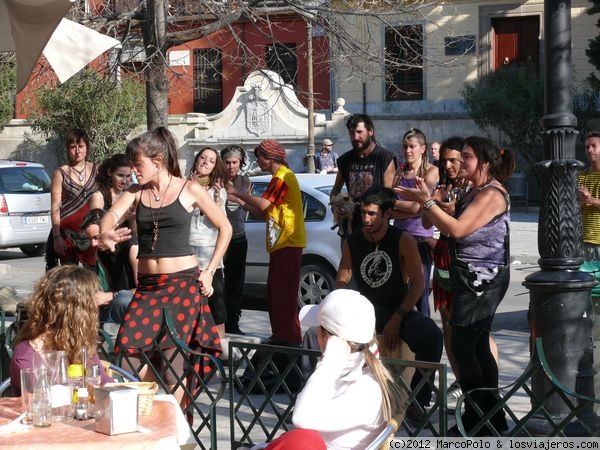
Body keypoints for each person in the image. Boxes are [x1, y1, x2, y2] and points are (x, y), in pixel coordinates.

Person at [99, 127, 232, 396]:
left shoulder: (189, 189)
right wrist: (106, 231)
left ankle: (178, 426)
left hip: (182, 286)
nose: (134, 171)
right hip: (148, 288)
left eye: (138, 164)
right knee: (127, 360)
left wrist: (208, 271)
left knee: (174, 367)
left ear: (157, 161)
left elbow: (225, 227)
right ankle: (157, 404)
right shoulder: (137, 191)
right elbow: (111, 214)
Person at [396, 136, 514, 435]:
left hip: (482, 278)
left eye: (467, 157)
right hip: (471, 275)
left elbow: (458, 230)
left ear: (485, 163)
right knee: (475, 347)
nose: (461, 162)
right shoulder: (476, 190)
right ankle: (491, 420)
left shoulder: (492, 194)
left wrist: (428, 202)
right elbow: (449, 217)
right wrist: (434, 203)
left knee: (463, 347)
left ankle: (477, 421)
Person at [336, 185, 443, 422]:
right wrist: (344, 310)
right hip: (365, 313)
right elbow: (342, 279)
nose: (366, 219)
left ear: (387, 215)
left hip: (397, 310)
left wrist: (398, 318)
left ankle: (418, 400)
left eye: (372, 214)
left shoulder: (402, 239)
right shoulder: (353, 241)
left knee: (432, 336)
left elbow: (418, 284)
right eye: (363, 212)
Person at [262, 289, 406, 450]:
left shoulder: (366, 389)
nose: (314, 333)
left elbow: (301, 417)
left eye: (318, 328)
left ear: (326, 339)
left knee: (302, 440)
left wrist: (330, 362)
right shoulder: (361, 373)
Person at [226, 139, 305, 346]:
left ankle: (288, 338)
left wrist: (235, 192)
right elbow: (264, 213)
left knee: (283, 295)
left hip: (288, 242)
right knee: (275, 293)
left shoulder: (283, 177)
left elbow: (263, 203)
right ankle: (280, 335)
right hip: (281, 243)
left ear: (269, 158)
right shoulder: (278, 177)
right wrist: (241, 201)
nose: (257, 161)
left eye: (259, 157)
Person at [10, 265, 113, 395]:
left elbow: (105, 383)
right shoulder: (27, 355)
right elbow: (41, 404)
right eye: (91, 304)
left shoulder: (79, 343)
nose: (97, 308)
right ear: (79, 312)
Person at [393, 128, 439, 318]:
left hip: (421, 240)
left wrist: (394, 206)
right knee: (399, 291)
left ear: (423, 148)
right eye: (405, 147)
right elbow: (412, 208)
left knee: (419, 292)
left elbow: (416, 207)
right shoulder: (399, 171)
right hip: (398, 236)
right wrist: (410, 207)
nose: (407, 151)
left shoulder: (431, 171)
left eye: (412, 146)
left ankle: (425, 338)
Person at [188, 147, 228, 350]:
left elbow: (221, 224)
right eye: (202, 157)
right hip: (187, 256)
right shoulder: (183, 187)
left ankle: (219, 351)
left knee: (216, 310)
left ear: (215, 167)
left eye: (211, 160)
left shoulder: (217, 192)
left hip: (211, 258)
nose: (205, 162)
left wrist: (214, 200)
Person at [330, 114, 396, 237]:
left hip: (376, 228)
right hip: (350, 229)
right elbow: (336, 188)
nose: (355, 137)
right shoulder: (345, 160)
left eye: (360, 132)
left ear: (371, 131)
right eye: (352, 133)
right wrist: (335, 208)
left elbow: (389, 195)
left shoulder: (384, 157)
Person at [46, 128, 101, 270]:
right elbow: (55, 207)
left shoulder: (97, 170)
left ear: (87, 147)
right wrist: (57, 237)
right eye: (73, 147)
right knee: (69, 280)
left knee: (92, 280)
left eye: (81, 146)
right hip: (67, 236)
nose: (77, 151)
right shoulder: (60, 173)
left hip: (90, 235)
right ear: (68, 149)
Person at [80, 208, 134, 327]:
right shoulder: (102, 252)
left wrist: (109, 296)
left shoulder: (133, 248)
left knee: (122, 299)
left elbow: (145, 290)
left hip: (135, 303)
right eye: (90, 239)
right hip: (118, 302)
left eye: (96, 237)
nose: (93, 244)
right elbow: (109, 286)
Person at [221, 145, 251, 335]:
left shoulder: (244, 181)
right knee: (219, 283)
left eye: (235, 162)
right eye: (227, 162)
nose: (231, 166)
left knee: (236, 284)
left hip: (239, 237)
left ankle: (233, 322)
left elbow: (248, 205)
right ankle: (220, 321)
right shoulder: (216, 180)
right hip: (220, 240)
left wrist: (236, 195)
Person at [96, 153, 138, 287]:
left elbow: (133, 231)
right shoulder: (99, 196)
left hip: (127, 247)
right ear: (109, 172)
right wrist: (124, 217)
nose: (124, 181)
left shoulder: (130, 195)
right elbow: (97, 231)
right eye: (120, 175)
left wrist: (132, 219)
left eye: (128, 176)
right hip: (108, 249)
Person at [578, 131, 600, 261]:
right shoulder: (581, 176)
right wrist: (580, 201)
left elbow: (588, 200)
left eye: (593, 146)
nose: (589, 150)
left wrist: (590, 199)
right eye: (587, 147)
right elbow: (573, 207)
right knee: (585, 281)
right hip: (583, 240)